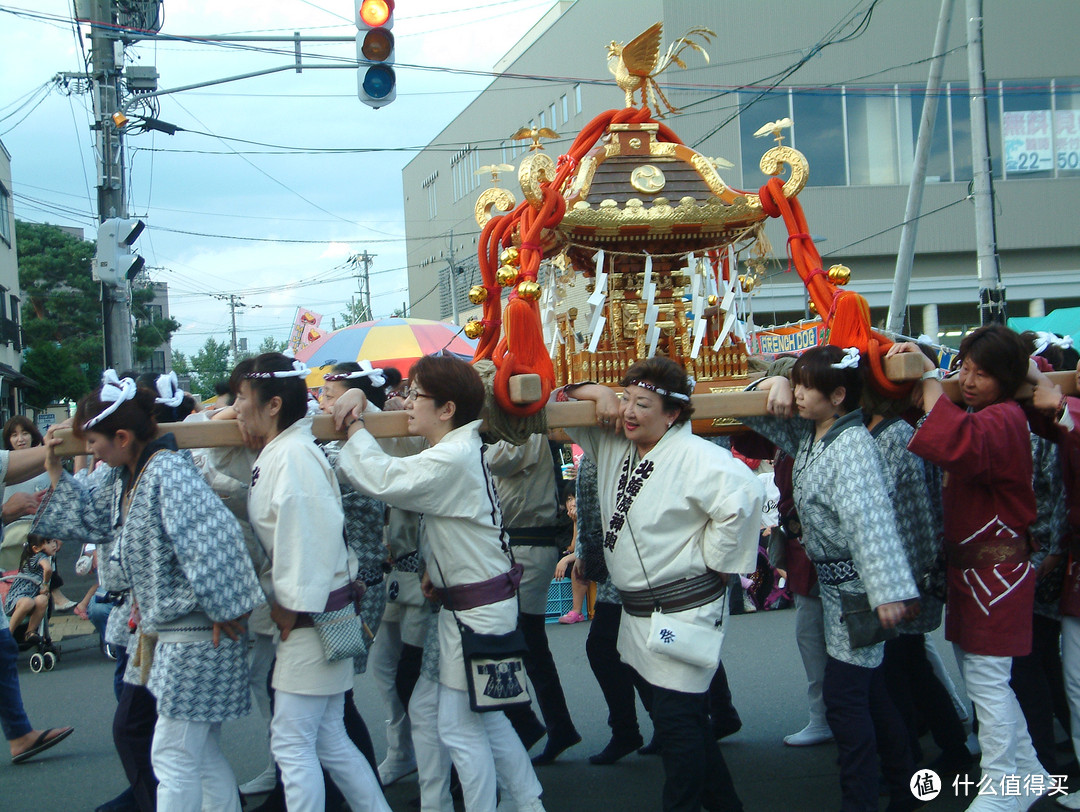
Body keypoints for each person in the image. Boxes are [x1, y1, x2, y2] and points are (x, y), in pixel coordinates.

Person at [35, 371, 265, 812]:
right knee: (199, 756)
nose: (91, 452)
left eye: (95, 443)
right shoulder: (132, 474)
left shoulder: (167, 471)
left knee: (173, 755)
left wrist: (226, 608)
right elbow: (89, 517)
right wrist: (54, 467)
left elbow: (216, 539)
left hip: (195, 631)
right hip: (174, 631)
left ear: (122, 436)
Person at [330, 354, 545, 812]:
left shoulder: (451, 456)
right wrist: (360, 404)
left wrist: (353, 427)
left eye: (416, 395)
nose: (407, 403)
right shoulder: (454, 449)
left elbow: (383, 477)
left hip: (476, 609)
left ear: (447, 409)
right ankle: (528, 803)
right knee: (482, 720)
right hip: (472, 603)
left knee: (460, 727)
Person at [561, 356, 764, 812]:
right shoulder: (616, 444)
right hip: (637, 615)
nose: (630, 412)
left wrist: (716, 559)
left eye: (644, 404)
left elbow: (744, 498)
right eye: (627, 399)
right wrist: (595, 391)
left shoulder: (700, 458)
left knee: (676, 725)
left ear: (672, 413)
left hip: (686, 608)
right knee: (685, 721)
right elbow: (561, 397)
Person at [745, 345, 920, 812]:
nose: (799, 395)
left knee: (846, 701)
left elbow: (871, 521)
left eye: (807, 387)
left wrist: (886, 590)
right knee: (873, 692)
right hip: (840, 585)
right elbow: (758, 413)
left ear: (839, 394)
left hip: (860, 587)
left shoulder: (853, 446)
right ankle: (905, 784)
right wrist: (774, 382)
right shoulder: (813, 434)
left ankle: (860, 799)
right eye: (798, 385)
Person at [889, 326, 1053, 811]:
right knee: (986, 678)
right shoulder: (995, 413)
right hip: (979, 574)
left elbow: (957, 443)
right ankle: (1029, 772)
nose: (972, 380)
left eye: (983, 373)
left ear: (1005, 377)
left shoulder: (1001, 419)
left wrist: (935, 388)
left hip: (995, 577)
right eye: (967, 369)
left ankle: (1004, 786)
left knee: (986, 681)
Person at [229, 353, 389, 812]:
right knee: (328, 741)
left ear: (273, 403)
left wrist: (291, 605)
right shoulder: (284, 451)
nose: (236, 408)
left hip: (310, 615)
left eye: (242, 398)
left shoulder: (294, 454)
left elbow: (310, 541)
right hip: (319, 610)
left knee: (292, 743)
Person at [486, 432, 581, 763]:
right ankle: (554, 726)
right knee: (526, 642)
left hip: (526, 545)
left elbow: (497, 460)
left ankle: (533, 723)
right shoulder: (521, 429)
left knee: (518, 640)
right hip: (520, 546)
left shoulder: (526, 428)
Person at [4, 534, 56, 638]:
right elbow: (48, 569)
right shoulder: (39, 556)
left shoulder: (40, 556)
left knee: (42, 600)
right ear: (36, 548)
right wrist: (45, 585)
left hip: (31, 597)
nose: (53, 545)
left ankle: (30, 632)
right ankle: (8, 634)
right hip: (17, 598)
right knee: (28, 602)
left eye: (54, 541)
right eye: (49, 543)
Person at [555, 492, 591, 625]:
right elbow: (571, 547)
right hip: (568, 555)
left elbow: (582, 550)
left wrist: (566, 560)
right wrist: (575, 522)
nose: (573, 503)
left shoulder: (592, 516)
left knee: (579, 564)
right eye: (569, 499)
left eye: (576, 498)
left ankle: (577, 611)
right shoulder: (562, 521)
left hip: (587, 556)